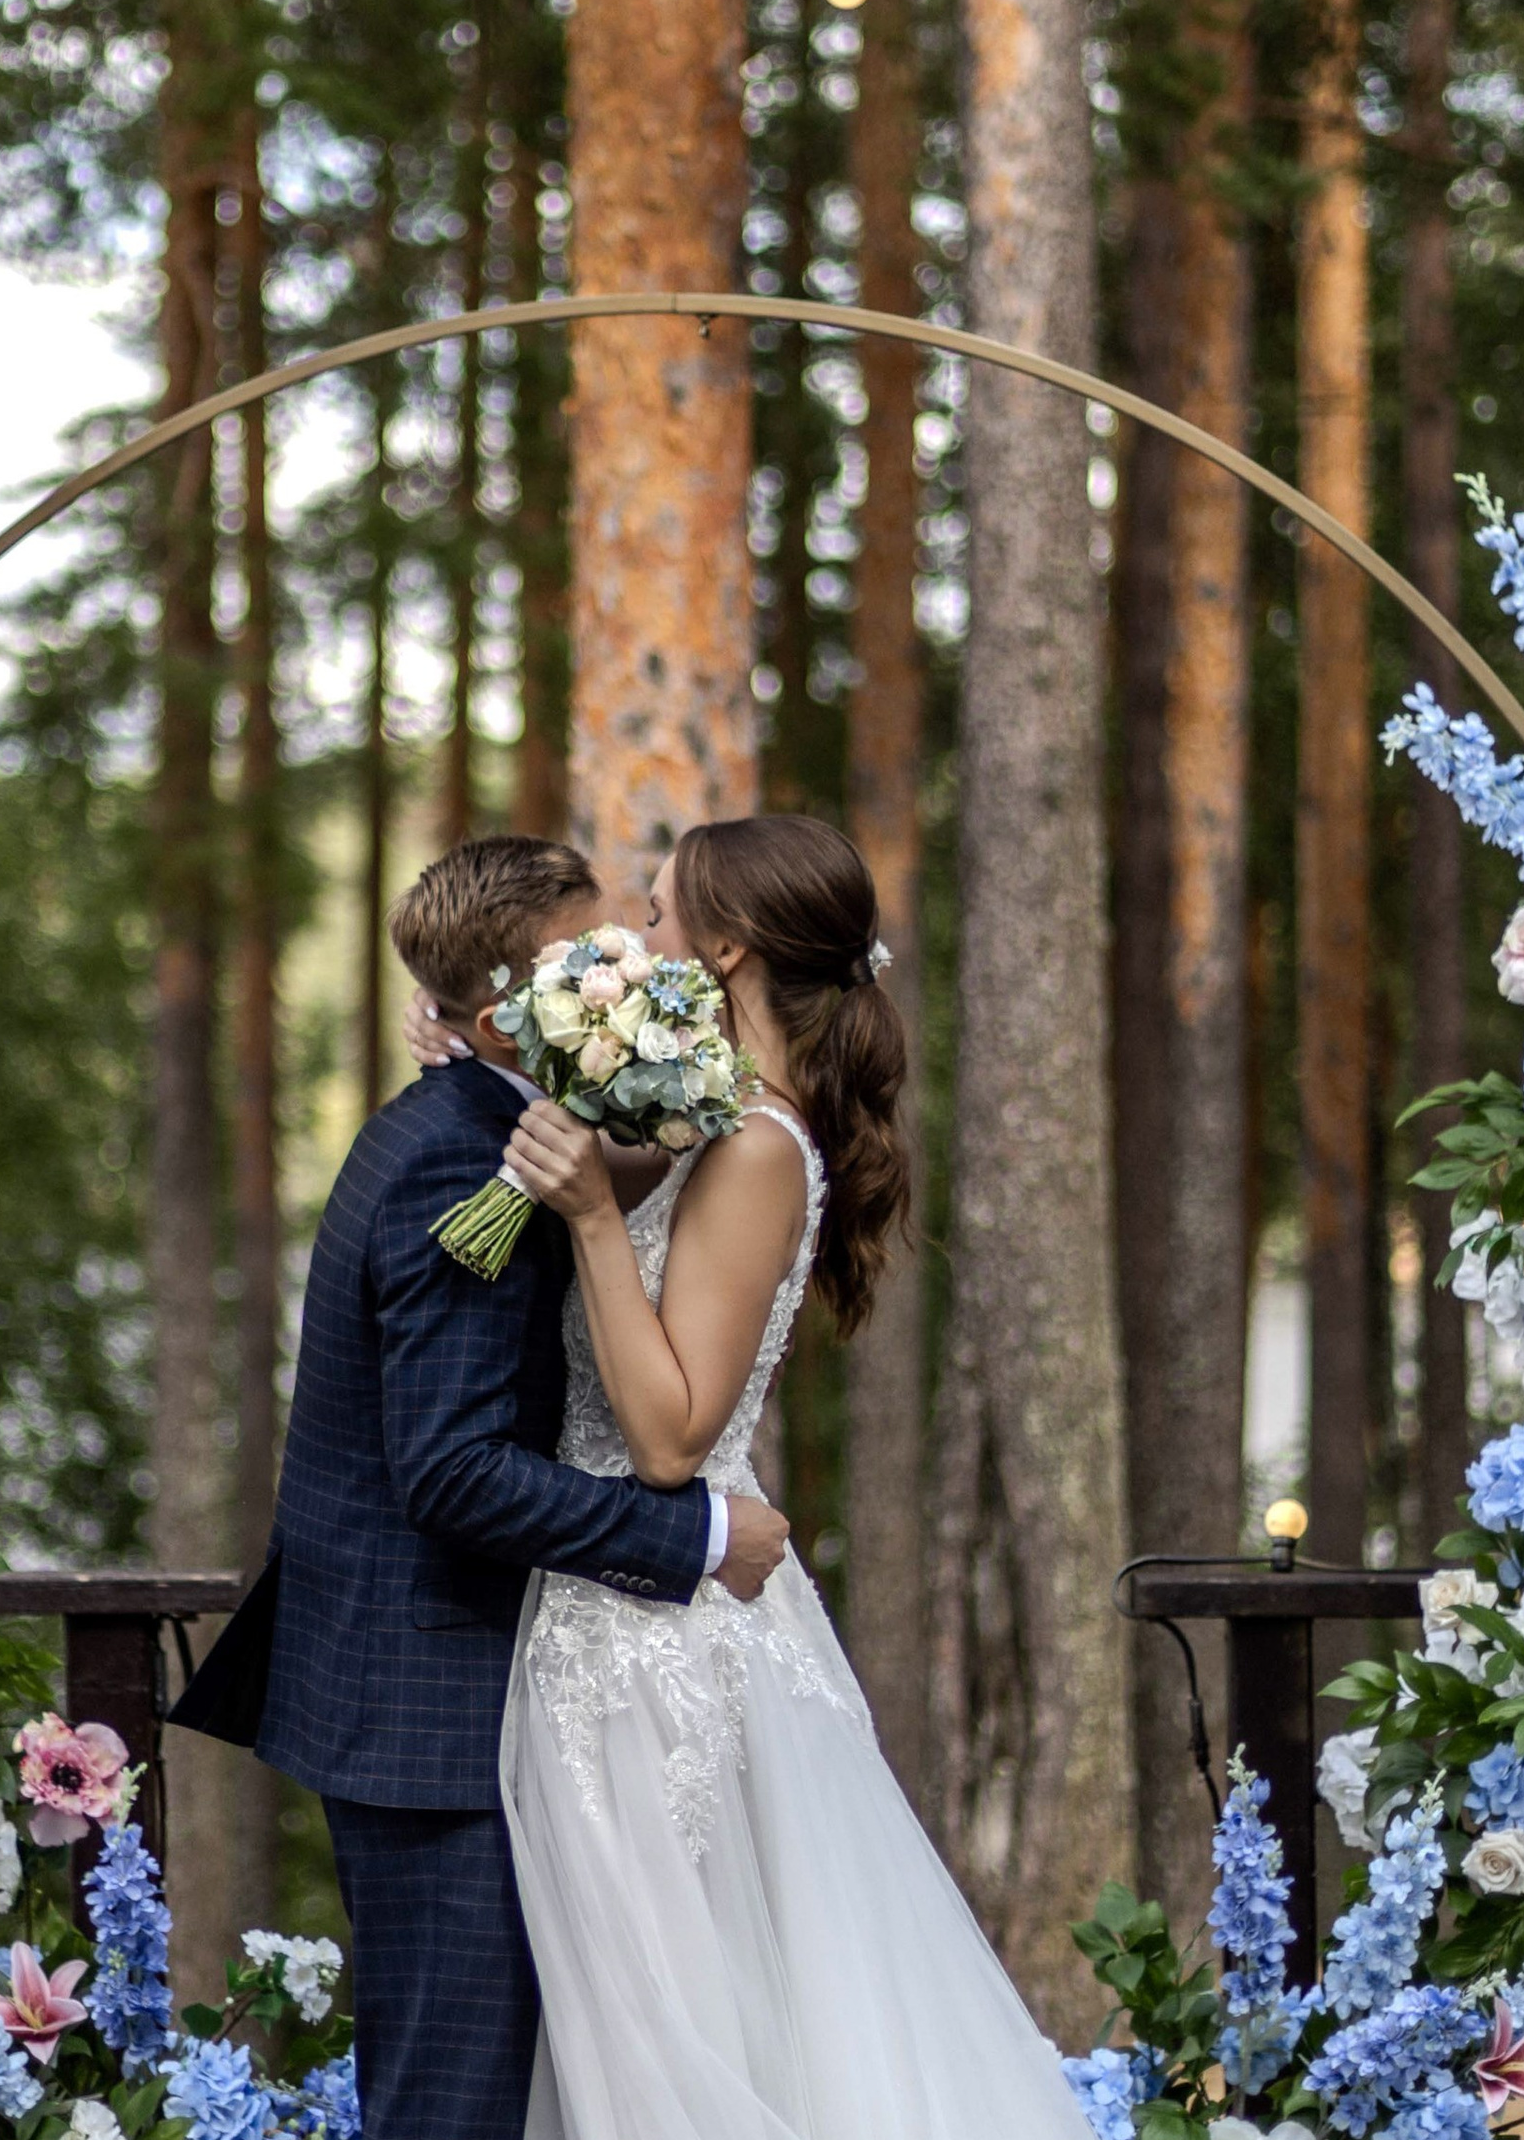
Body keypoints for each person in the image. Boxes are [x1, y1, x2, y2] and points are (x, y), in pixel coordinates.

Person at [170, 833, 792, 2140]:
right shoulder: (467, 1161)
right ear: (526, 1002)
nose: (628, 964)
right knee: (452, 2105)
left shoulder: (503, 1118)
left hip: (463, 1698)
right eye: (594, 951)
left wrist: (485, 1042)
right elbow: (453, 1476)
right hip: (432, 1718)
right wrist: (689, 1535)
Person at [481, 814, 1088, 2140]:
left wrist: (589, 1213)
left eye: (658, 912)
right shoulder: (709, 1122)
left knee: (679, 2039)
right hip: (605, 1619)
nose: (637, 939)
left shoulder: (759, 1147)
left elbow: (669, 1438)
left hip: (658, 1645)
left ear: (731, 943)